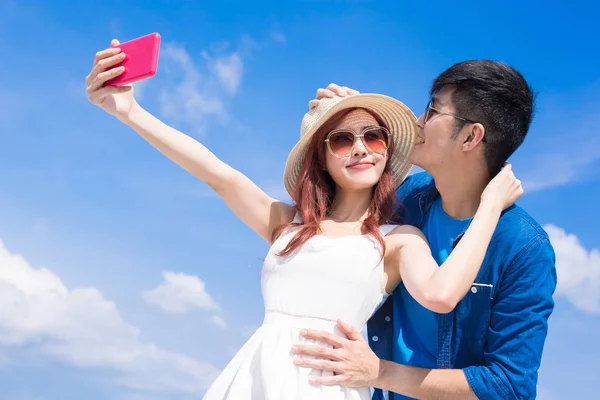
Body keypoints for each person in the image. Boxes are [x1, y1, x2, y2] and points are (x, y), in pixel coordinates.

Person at [85, 42, 522, 400]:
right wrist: (129, 111)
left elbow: (443, 295)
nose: (360, 148)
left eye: (372, 136)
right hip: (255, 381)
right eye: (341, 138)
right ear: (322, 157)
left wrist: (490, 203)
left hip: (329, 388)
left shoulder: (397, 241)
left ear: (388, 151)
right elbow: (215, 172)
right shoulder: (287, 225)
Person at [291, 62, 558, 400]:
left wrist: (379, 372)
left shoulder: (524, 247)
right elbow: (330, 220)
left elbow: (509, 385)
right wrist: (343, 118)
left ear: (471, 137)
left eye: (432, 110)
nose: (418, 122)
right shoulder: (407, 199)